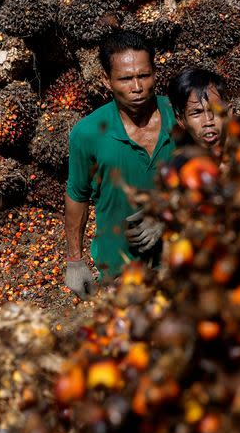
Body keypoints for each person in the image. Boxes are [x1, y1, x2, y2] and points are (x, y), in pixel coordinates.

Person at [64, 30, 177, 299]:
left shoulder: (181, 115)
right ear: (107, 80)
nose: (137, 87)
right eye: (126, 79)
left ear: (155, 73)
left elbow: (215, 174)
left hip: (182, 261)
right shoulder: (87, 133)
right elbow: (77, 196)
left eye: (144, 76)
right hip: (120, 272)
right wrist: (75, 262)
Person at [167, 67, 231, 160]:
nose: (208, 122)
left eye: (215, 110)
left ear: (228, 112)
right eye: (196, 113)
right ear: (181, 121)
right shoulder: (181, 169)